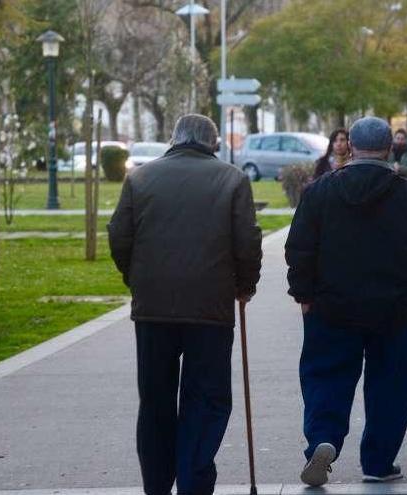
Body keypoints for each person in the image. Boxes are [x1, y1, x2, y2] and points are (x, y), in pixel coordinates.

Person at [285, 117, 407, 486]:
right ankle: (378, 461)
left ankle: (322, 440)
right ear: (390, 149)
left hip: (330, 308)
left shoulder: (320, 192)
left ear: (351, 146)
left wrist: (304, 295)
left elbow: (300, 249)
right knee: (390, 384)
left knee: (325, 377)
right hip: (396, 310)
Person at [108, 114, 263, 495]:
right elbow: (247, 242)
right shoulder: (232, 179)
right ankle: (194, 482)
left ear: (173, 139)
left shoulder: (140, 178)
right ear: (213, 144)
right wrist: (244, 286)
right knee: (206, 397)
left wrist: (136, 278)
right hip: (211, 308)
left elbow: (118, 236)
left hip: (153, 308)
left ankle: (157, 485)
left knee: (156, 399)